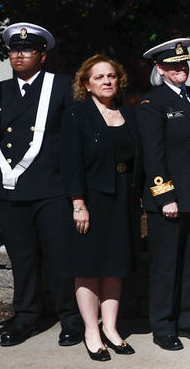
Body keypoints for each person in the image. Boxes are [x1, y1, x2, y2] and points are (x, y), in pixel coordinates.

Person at [0, 23, 83, 347]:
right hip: (11, 191)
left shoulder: (62, 86)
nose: (18, 55)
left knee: (59, 258)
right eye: (14, 50)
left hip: (51, 188)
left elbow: (74, 140)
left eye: (27, 50)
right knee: (22, 259)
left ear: (42, 56)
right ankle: (25, 317)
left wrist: (77, 191)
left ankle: (70, 318)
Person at [60, 55, 143, 361]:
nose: (107, 81)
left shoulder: (129, 114)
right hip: (92, 200)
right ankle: (91, 332)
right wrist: (78, 204)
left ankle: (110, 328)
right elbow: (70, 163)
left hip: (123, 200)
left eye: (111, 76)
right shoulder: (76, 115)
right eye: (99, 77)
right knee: (89, 268)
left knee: (115, 267)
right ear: (86, 84)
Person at [138, 38, 190, 352]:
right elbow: (153, 155)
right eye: (173, 65)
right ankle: (162, 326)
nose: (180, 69)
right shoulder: (152, 102)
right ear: (160, 69)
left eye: (184, 63)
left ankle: (188, 320)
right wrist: (164, 196)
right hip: (170, 197)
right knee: (166, 264)